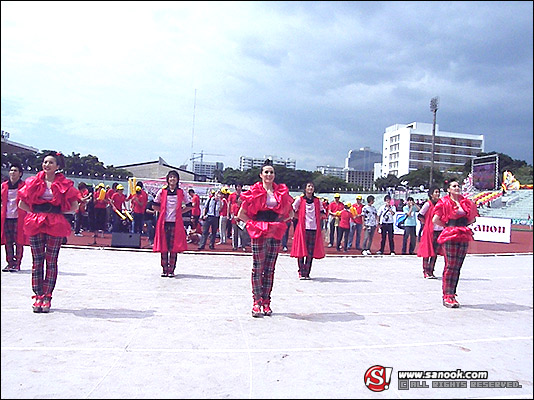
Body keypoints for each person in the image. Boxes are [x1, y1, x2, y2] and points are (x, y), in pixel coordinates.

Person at [18, 152, 80, 313]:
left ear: (58, 166)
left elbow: (74, 206)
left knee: (51, 261)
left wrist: (58, 211)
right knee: (37, 260)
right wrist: (36, 211)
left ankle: (47, 296)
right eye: (45, 162)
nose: (47, 165)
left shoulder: (65, 184)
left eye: (51, 162)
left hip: (55, 222)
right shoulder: (33, 182)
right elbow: (21, 204)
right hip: (36, 222)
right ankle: (38, 295)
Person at [237, 160, 293, 317]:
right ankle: (256, 302)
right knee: (257, 268)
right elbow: (241, 214)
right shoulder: (254, 191)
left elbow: (290, 213)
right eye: (266, 172)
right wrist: (253, 224)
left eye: (272, 172)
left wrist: (279, 222)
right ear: (261, 175)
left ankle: (267, 302)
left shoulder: (280, 192)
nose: (269, 174)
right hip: (259, 231)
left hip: (274, 232)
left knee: (270, 268)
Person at [432, 179, 478, 308]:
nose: (457, 188)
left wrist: (462, 224)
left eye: (458, 186)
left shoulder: (466, 202)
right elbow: (435, 219)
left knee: (458, 266)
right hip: (450, 234)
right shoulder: (444, 202)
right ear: (448, 189)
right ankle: (447, 295)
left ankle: (453, 294)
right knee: (450, 265)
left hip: (463, 233)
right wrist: (448, 226)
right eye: (454, 186)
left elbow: (472, 218)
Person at [152, 170, 192, 277]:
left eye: (174, 177)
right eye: (170, 177)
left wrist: (180, 212)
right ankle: (164, 269)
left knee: (174, 247)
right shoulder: (162, 191)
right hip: (164, 222)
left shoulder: (181, 192)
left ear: (177, 179)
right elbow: (154, 205)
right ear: (167, 179)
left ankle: (172, 269)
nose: (172, 179)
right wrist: (163, 211)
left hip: (176, 223)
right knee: (163, 247)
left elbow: (189, 205)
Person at [290, 182, 325, 279]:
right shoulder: (300, 200)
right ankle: (301, 271)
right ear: (305, 188)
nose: (310, 188)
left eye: (312, 186)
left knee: (310, 252)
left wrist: (318, 219)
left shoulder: (318, 201)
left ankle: (307, 272)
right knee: (301, 251)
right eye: (308, 186)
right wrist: (298, 218)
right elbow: (292, 209)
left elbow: (323, 213)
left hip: (313, 229)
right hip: (303, 228)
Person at [1, 163, 28, 272]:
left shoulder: (24, 186)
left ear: (20, 173)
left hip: (19, 217)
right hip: (6, 217)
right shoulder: (4, 186)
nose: (12, 172)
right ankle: (9, 263)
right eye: (11, 170)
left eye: (15, 170)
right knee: (8, 241)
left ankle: (17, 263)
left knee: (19, 241)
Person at [417, 186, 443, 279]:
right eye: (436, 192)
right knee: (427, 251)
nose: (438, 194)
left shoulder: (441, 203)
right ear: (431, 194)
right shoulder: (428, 204)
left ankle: (431, 271)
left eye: (438, 192)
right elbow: (420, 215)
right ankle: (425, 271)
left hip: (439, 230)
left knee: (435, 252)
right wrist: (427, 223)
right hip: (430, 231)